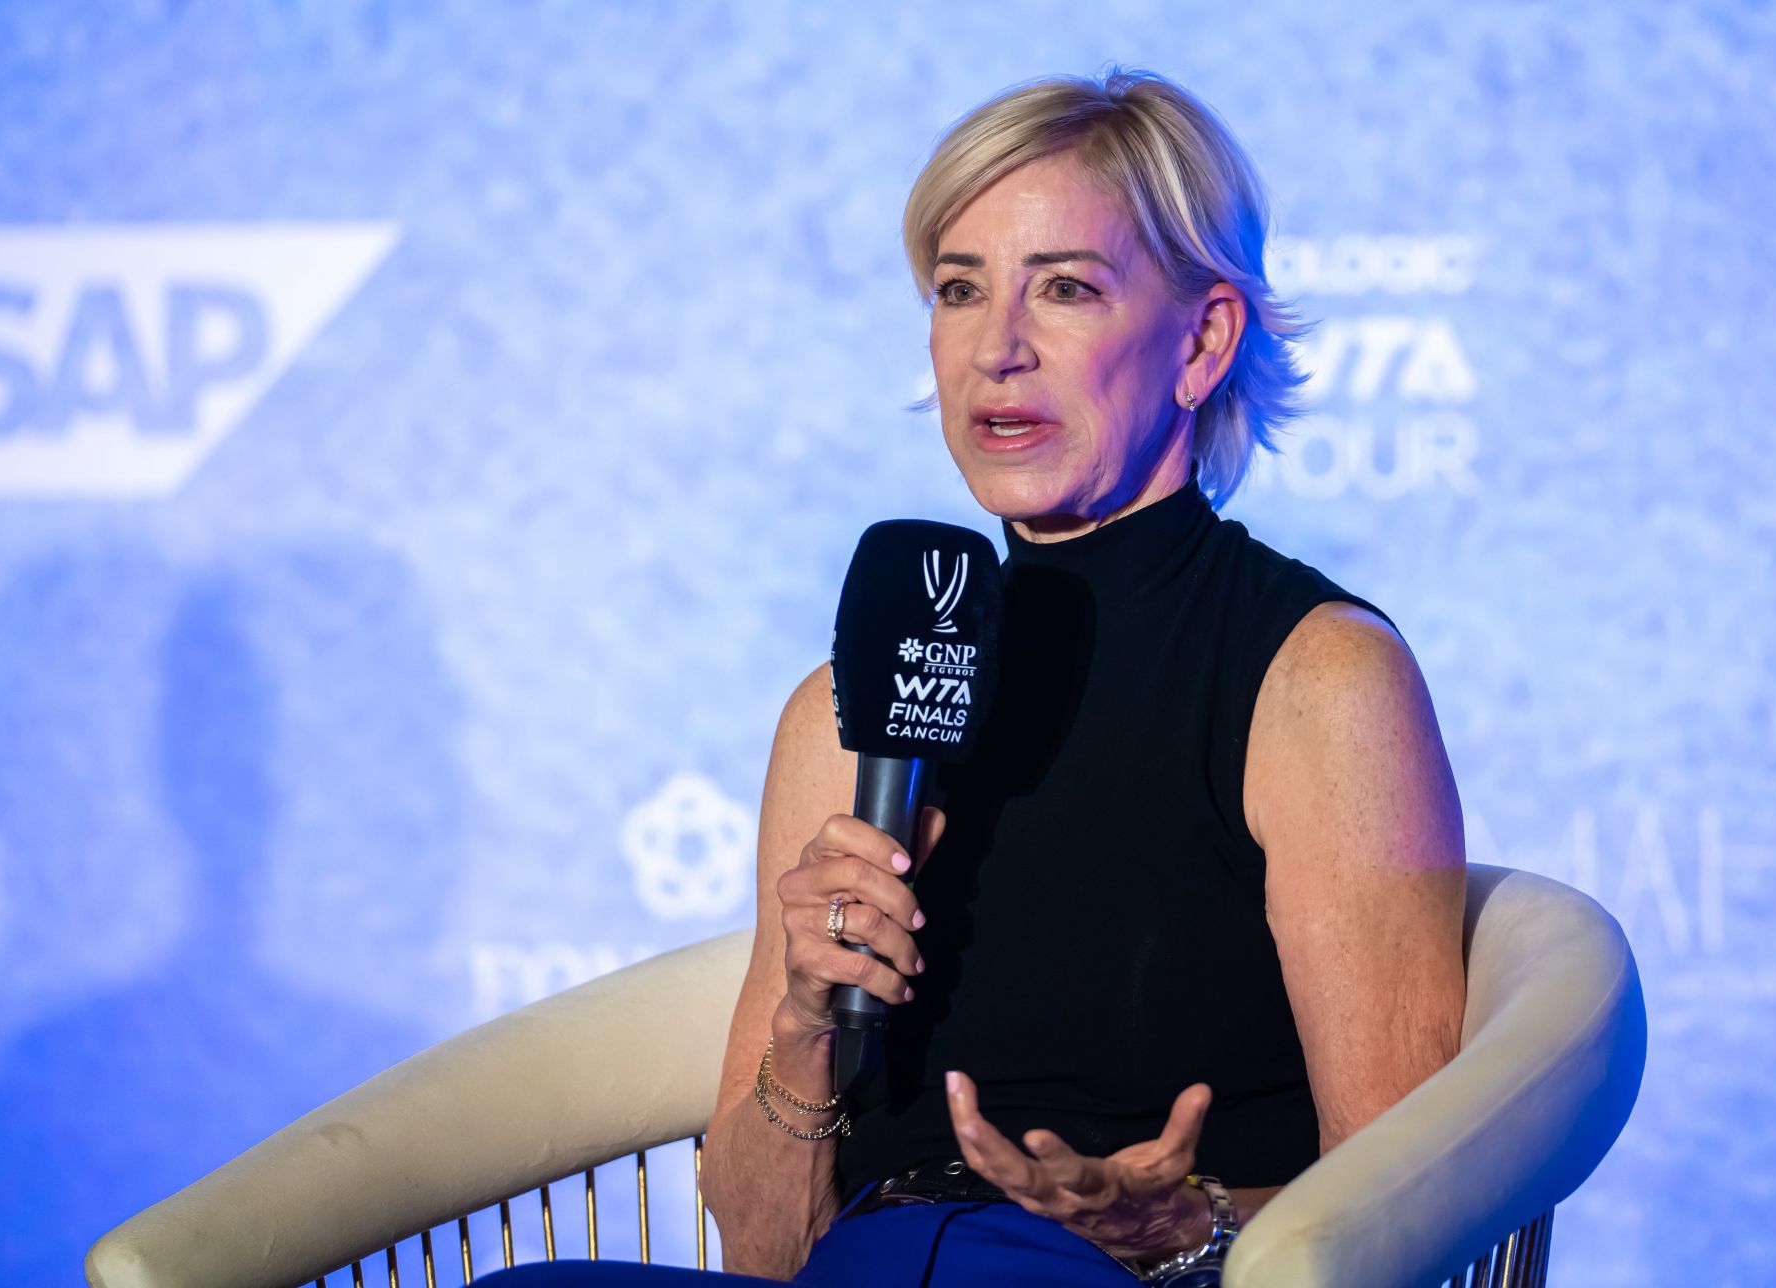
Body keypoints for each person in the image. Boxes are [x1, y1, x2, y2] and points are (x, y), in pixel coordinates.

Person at [481, 64, 1466, 1287]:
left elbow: (1413, 1192)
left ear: (1204, 339)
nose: (997, 350)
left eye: (1065, 288)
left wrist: (1188, 1227)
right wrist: (802, 1022)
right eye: (960, 290)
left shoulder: (1316, 676)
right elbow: (762, 1246)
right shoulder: (843, 706)